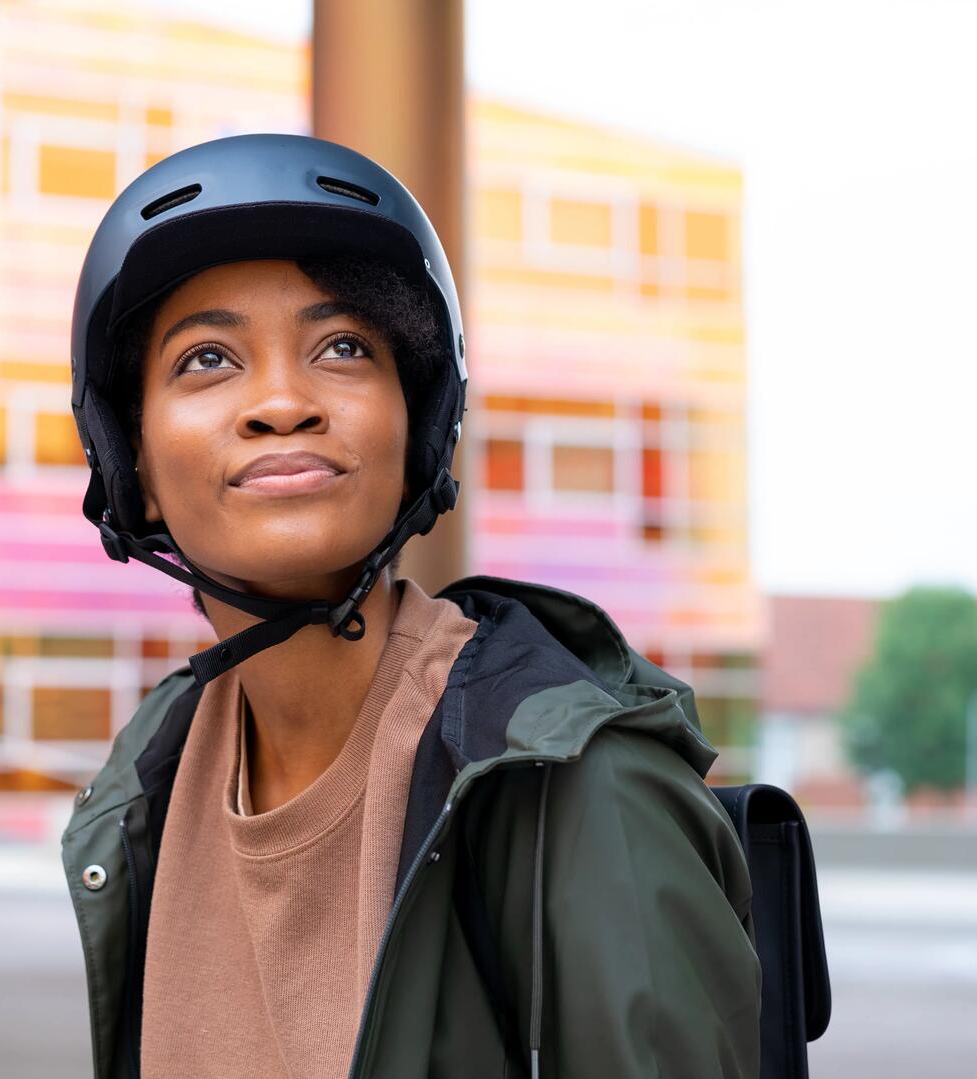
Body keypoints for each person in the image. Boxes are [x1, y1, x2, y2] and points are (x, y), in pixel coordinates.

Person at [60, 134, 760, 1079]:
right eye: (208, 359)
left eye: (343, 347)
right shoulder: (153, 771)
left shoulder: (573, 785)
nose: (280, 401)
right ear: (129, 457)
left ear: (418, 425)